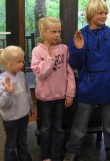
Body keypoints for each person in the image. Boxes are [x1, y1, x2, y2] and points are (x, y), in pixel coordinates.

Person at [63, 0, 110, 161]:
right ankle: (72, 150)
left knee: (109, 124)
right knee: (80, 125)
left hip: (108, 86)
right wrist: (78, 49)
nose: (104, 15)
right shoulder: (81, 35)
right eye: (100, 12)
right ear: (91, 14)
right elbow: (74, 64)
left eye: (106, 12)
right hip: (87, 87)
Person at [31, 16, 76, 161]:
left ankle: (57, 156)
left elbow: (70, 73)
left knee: (59, 128)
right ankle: (46, 156)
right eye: (53, 31)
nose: (57, 35)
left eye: (59, 31)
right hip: (45, 98)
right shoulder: (37, 51)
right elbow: (40, 73)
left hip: (60, 97)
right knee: (46, 128)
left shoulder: (64, 49)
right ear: (43, 32)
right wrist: (50, 58)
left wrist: (70, 94)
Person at [0, 45, 35, 161]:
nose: (22, 64)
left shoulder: (22, 75)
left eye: (22, 60)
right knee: (11, 145)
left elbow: (27, 92)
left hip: (23, 116)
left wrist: (30, 106)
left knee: (22, 141)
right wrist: (8, 93)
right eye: (18, 61)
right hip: (11, 120)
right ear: (7, 63)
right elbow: (0, 103)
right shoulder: (3, 80)